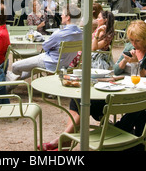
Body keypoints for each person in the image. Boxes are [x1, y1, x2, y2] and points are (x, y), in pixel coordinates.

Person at [39, 10, 114, 151]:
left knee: (83, 102)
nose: (96, 20)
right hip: (85, 62)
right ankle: (66, 141)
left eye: (98, 18)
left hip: (95, 66)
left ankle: (62, 139)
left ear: (105, 20)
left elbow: (91, 48)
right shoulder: (98, 30)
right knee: (77, 99)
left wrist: (97, 34)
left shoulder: (106, 34)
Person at [9, 5, 82, 81]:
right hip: (65, 64)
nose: (61, 15)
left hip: (48, 61)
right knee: (32, 69)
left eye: (63, 14)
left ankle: (9, 85)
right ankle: (10, 84)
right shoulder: (81, 34)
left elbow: (45, 46)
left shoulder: (59, 34)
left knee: (14, 66)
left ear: (68, 17)